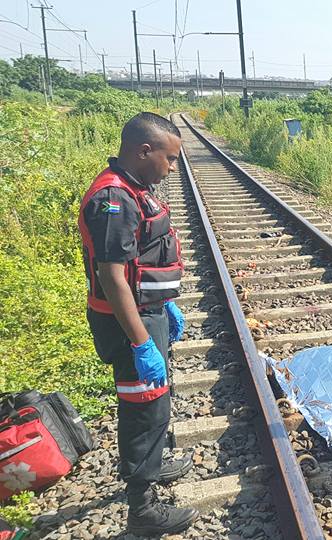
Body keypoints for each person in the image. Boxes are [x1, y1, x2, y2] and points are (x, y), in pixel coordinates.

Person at [79, 112, 199, 536]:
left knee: (156, 403)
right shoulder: (113, 201)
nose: (171, 169)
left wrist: (163, 305)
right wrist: (141, 341)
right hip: (129, 324)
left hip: (146, 313)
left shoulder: (134, 188)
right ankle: (142, 510)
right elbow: (112, 278)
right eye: (168, 159)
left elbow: (138, 263)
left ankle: (154, 464)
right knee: (143, 410)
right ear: (143, 150)